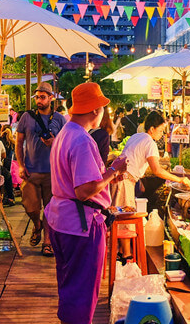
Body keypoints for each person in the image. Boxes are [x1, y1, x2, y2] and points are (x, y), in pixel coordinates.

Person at [45, 82, 127, 324]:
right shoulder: (81, 140)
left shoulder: (65, 134)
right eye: (101, 107)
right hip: (81, 225)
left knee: (70, 285)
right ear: (94, 111)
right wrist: (113, 170)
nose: (102, 113)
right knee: (82, 290)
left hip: (62, 219)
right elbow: (84, 190)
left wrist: (107, 172)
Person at [115, 111, 190, 258]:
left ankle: (121, 252)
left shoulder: (137, 136)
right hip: (125, 181)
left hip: (120, 178)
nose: (162, 134)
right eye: (161, 130)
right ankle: (126, 255)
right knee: (126, 218)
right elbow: (157, 170)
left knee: (122, 216)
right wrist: (180, 179)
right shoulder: (150, 142)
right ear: (152, 129)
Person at [16, 82, 66, 256]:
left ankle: (47, 241)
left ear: (51, 98)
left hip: (53, 172)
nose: (39, 100)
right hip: (31, 171)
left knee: (50, 209)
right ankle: (37, 225)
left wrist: (55, 142)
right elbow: (19, 142)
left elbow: (67, 144)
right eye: (37, 97)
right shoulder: (26, 117)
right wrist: (21, 165)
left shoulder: (60, 119)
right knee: (30, 206)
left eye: (43, 97)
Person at [0, 127, 16, 206]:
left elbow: (3, 156)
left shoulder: (0, 141)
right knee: (8, 178)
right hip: (11, 165)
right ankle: (10, 197)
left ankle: (8, 197)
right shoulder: (13, 142)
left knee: (6, 178)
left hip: (3, 164)